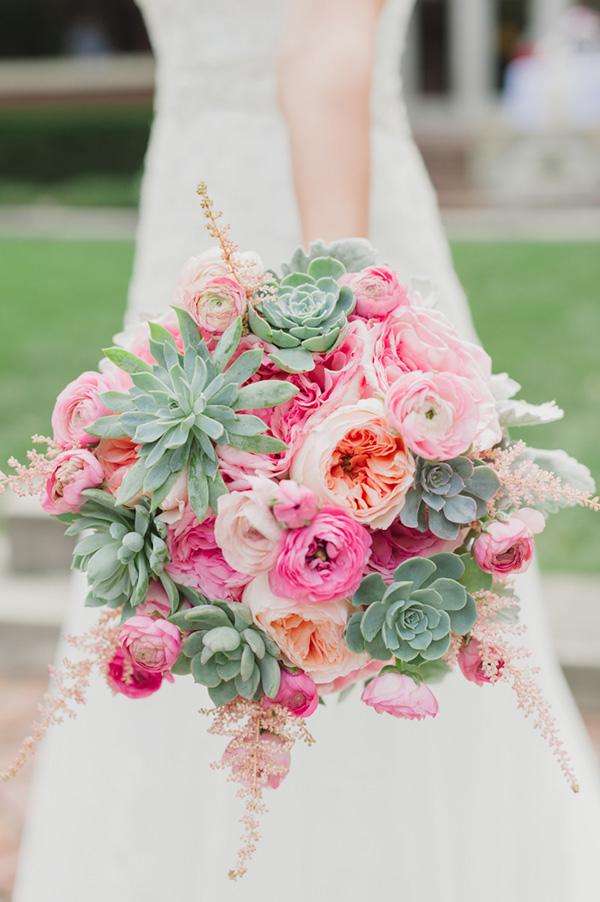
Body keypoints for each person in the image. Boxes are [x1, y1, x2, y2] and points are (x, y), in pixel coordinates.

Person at [14, 3, 600, 900]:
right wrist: (348, 330)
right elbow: (324, 48)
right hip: (289, 231)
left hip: (265, 231)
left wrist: (344, 337)